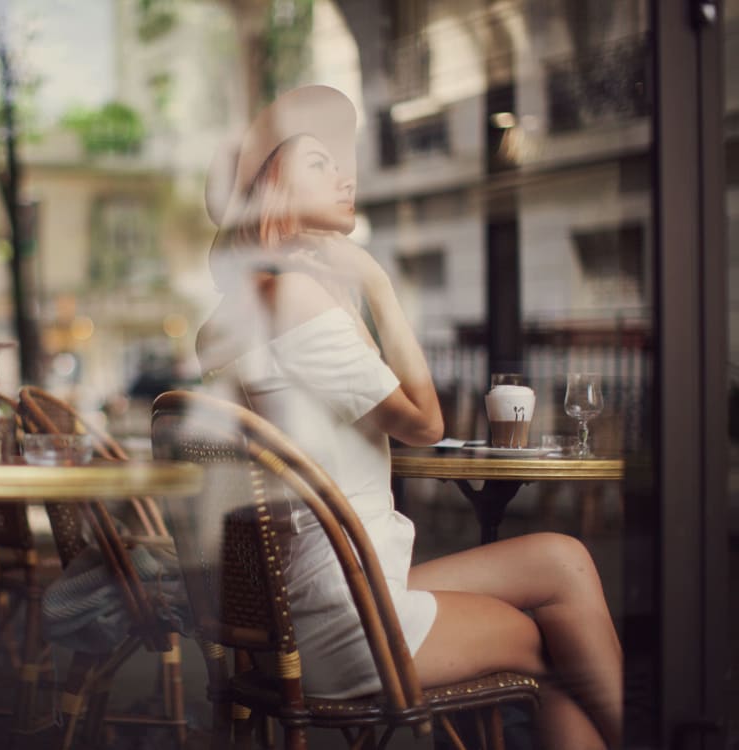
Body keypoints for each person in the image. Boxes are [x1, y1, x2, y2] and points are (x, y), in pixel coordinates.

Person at [195, 85, 622, 750]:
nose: (346, 175)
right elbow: (424, 422)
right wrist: (377, 283)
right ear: (271, 189)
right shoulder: (296, 297)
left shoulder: (240, 311)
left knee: (560, 560)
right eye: (318, 164)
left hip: (317, 593)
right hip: (345, 615)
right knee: (557, 654)